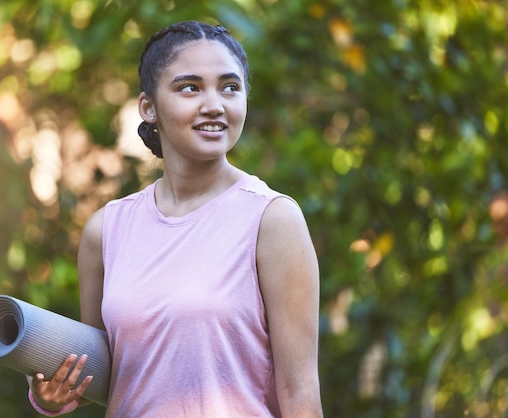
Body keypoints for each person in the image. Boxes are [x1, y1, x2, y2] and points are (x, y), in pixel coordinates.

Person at [28, 20, 322, 417]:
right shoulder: (106, 230)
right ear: (149, 107)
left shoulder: (272, 219)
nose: (214, 104)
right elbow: (99, 375)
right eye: (190, 87)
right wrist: (51, 396)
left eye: (230, 87)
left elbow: (299, 389)